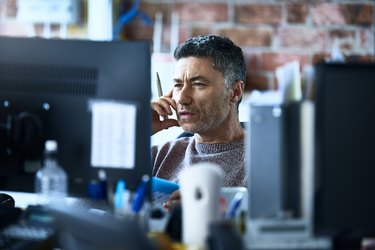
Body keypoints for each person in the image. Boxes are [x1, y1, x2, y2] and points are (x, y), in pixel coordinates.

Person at [151, 34, 247, 190]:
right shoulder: (160, 156)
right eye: (177, 85)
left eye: (198, 84)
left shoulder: (264, 163)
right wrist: (138, 133)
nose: (182, 98)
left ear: (235, 91)